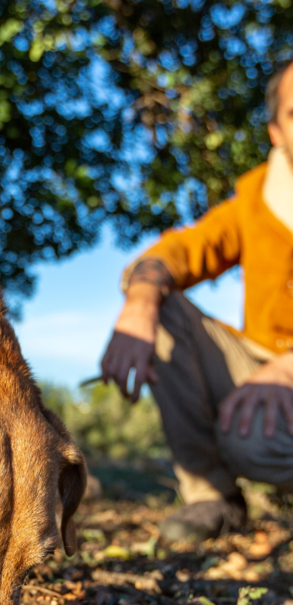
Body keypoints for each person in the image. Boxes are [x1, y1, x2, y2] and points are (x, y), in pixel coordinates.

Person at [101, 60, 293, 542]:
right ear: (275, 131)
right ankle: (211, 496)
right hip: (260, 363)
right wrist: (141, 300)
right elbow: (180, 250)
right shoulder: (256, 201)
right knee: (161, 305)